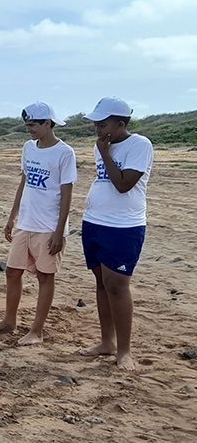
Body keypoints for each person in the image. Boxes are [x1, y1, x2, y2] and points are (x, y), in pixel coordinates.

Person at [0, 102, 77, 345]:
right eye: (27, 125)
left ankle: (37, 331)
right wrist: (12, 216)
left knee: (45, 277)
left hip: (49, 227)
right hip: (25, 223)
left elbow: (67, 194)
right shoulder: (28, 148)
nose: (29, 129)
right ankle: (9, 321)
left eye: (33, 125)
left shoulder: (65, 153)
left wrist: (59, 231)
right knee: (12, 272)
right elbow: (23, 182)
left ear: (48, 123)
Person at [79, 97, 153, 371]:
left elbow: (123, 184)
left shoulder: (139, 145)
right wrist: (103, 150)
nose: (98, 128)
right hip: (94, 222)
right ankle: (106, 342)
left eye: (104, 123)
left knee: (118, 286)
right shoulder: (101, 146)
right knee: (101, 283)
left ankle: (124, 351)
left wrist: (106, 153)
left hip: (124, 226)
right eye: (96, 123)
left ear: (121, 124)